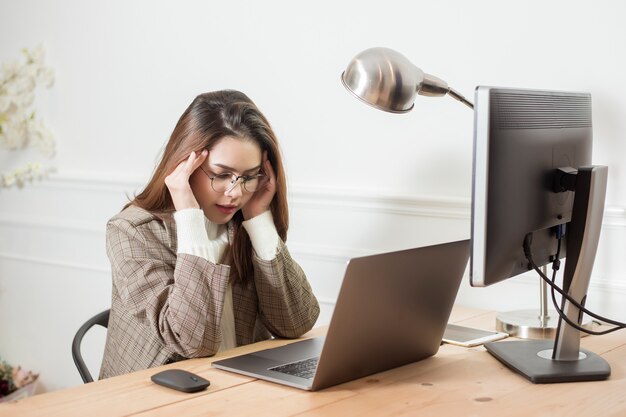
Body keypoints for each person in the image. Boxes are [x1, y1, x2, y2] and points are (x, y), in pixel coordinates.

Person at [99, 90, 320, 379]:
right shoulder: (132, 232)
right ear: (184, 165)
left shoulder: (241, 226)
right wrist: (189, 218)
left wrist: (258, 219)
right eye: (221, 174)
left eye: (249, 176)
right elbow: (192, 341)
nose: (235, 192)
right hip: (155, 400)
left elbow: (296, 322)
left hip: (238, 388)